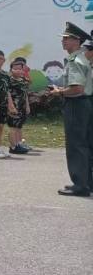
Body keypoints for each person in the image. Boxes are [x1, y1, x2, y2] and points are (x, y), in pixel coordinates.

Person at [50, 23, 91, 197]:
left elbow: (76, 89)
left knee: (76, 144)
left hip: (76, 104)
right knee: (86, 143)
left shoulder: (75, 61)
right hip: (86, 104)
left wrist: (59, 92)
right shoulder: (84, 58)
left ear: (77, 40)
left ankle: (80, 185)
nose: (63, 41)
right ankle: (87, 182)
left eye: (67, 38)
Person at [7, 59, 31, 154]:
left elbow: (25, 94)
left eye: (20, 69)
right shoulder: (9, 81)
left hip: (22, 107)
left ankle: (18, 144)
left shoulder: (23, 81)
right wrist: (11, 106)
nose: (18, 71)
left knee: (18, 126)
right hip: (13, 107)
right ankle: (13, 147)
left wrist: (27, 106)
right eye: (15, 69)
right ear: (11, 70)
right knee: (13, 127)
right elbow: (7, 94)